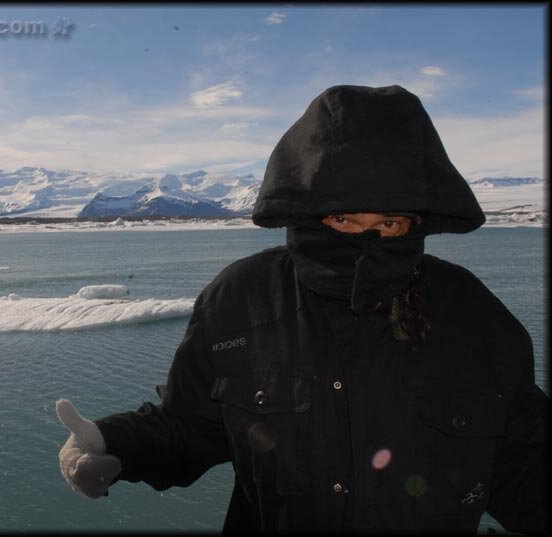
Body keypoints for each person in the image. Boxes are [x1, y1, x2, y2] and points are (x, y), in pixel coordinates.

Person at [56, 85, 549, 533]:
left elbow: (522, 463)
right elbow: (191, 427)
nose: (368, 239)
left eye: (391, 223)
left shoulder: (473, 316)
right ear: (308, 212)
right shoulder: (241, 300)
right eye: (344, 219)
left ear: (416, 221)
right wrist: (113, 442)